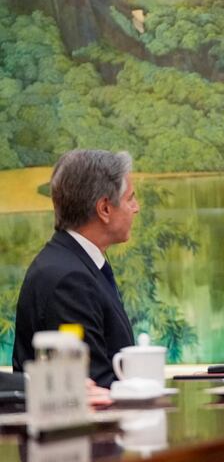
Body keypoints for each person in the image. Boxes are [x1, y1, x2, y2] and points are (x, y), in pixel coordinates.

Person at [14, 150, 139, 388]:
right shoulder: (68, 280)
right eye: (130, 198)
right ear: (104, 208)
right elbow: (93, 384)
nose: (136, 207)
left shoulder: (75, 263)